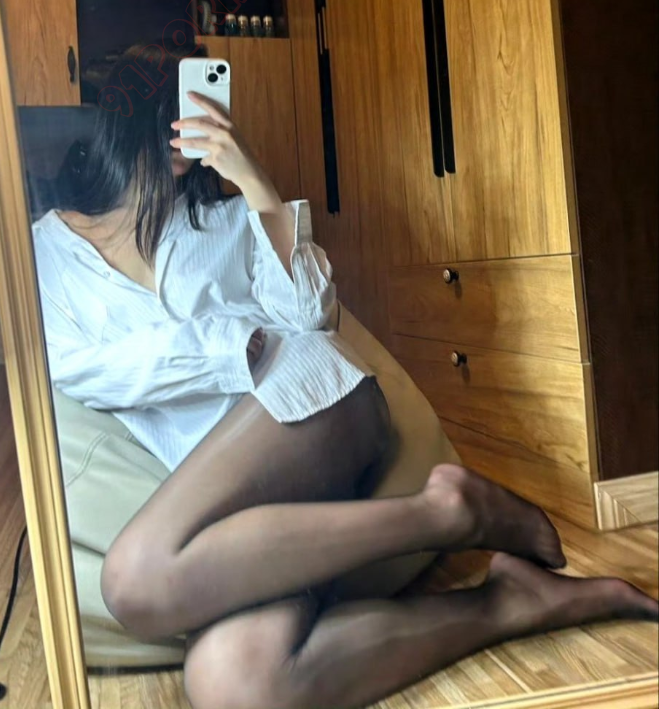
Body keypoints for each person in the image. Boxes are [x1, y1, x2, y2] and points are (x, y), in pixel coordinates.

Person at [32, 42, 657, 709]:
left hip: (312, 401)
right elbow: (76, 367)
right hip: (226, 487)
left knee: (134, 579)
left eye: (205, 100)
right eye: (176, 105)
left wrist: (256, 182)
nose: (191, 121)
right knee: (238, 686)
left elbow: (311, 315)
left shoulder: (227, 220)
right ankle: (507, 603)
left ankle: (448, 514)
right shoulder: (48, 245)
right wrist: (232, 342)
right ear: (132, 117)